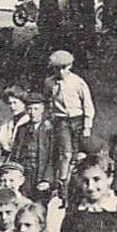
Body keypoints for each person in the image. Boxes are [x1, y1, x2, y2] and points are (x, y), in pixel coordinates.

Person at [45, 49, 94, 192]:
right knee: (66, 152)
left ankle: (80, 179)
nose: (60, 72)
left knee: (79, 151)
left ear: (70, 66)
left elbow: (88, 105)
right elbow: (48, 102)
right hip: (62, 120)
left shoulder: (78, 82)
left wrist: (87, 126)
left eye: (64, 68)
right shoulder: (49, 83)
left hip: (77, 119)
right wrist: (49, 118)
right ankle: (63, 183)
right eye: (57, 68)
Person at [11, 91, 57, 205]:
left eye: (36, 109)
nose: (32, 113)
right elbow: (15, 154)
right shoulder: (22, 129)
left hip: (41, 175)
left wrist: (47, 180)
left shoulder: (50, 130)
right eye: (29, 109)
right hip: (24, 175)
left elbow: (52, 158)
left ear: (43, 110)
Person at [0, 86, 28, 156]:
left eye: (15, 103)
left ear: (23, 103)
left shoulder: (28, 121)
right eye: (10, 103)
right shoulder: (8, 121)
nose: (12, 106)